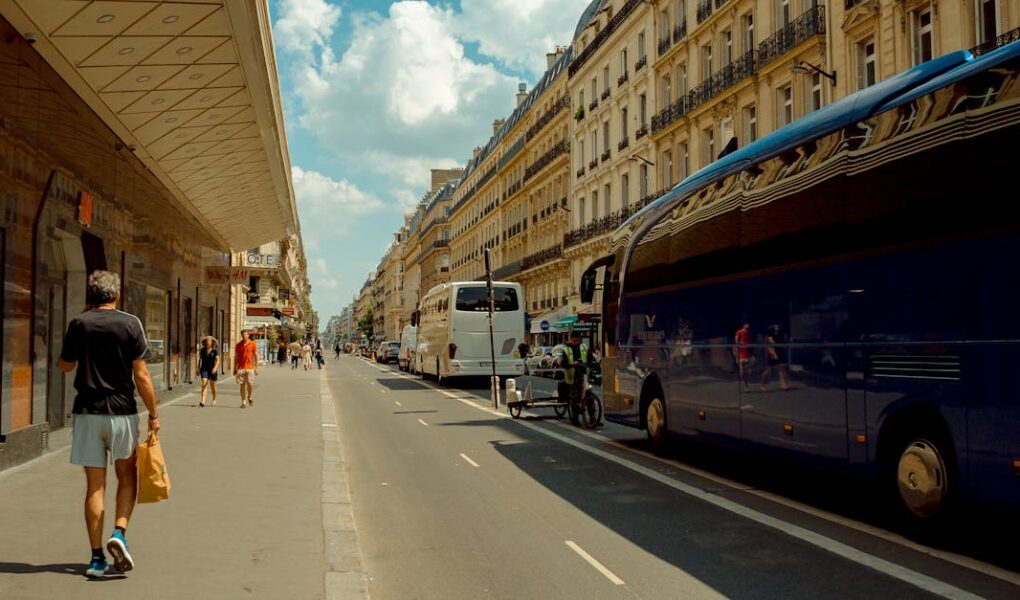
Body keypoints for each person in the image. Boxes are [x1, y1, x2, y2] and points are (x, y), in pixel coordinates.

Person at [58, 270, 160, 579]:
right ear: (116, 294)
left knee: (95, 485)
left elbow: (65, 365)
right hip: (121, 413)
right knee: (127, 477)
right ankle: (119, 533)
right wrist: (154, 414)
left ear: (91, 295)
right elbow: (141, 375)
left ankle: (96, 559)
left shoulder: (79, 323)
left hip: (88, 412)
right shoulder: (130, 324)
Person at [760, 324, 790, 391]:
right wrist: (774, 354)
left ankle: (783, 385)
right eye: (775, 326)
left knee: (781, 368)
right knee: (769, 370)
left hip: (779, 352)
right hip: (772, 353)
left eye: (777, 326)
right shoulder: (770, 334)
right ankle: (762, 384)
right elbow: (770, 344)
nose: (777, 327)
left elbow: (782, 343)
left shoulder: (780, 334)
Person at [233, 329, 259, 408]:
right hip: (240, 368)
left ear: (248, 335)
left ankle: (249, 396)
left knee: (250, 384)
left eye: (245, 334)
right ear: (241, 335)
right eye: (243, 334)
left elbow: (256, 356)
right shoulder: (238, 345)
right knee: (242, 385)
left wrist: (257, 367)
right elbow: (236, 357)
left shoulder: (252, 344)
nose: (244, 336)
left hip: (250, 367)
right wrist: (234, 368)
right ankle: (243, 402)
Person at [196, 336, 220, 407]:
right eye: (207, 341)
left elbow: (218, 360)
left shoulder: (215, 350)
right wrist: (197, 368)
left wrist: (215, 368)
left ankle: (214, 399)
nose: (208, 342)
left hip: (212, 370)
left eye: (209, 341)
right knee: (204, 383)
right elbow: (200, 360)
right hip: (204, 369)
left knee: (213, 386)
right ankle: (203, 401)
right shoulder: (202, 350)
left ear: (212, 342)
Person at [734, 322, 752, 393]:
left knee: (746, 372)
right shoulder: (739, 332)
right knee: (741, 373)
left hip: (747, 354)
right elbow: (736, 341)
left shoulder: (749, 333)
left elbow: (750, 344)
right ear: (744, 325)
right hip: (741, 353)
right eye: (747, 324)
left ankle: (746, 386)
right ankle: (742, 386)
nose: (748, 326)